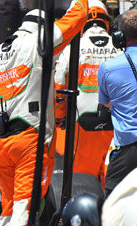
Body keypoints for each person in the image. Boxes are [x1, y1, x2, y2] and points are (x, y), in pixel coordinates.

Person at [0, 1, 89, 226]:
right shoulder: (41, 39)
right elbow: (75, 19)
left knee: (9, 206)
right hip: (30, 139)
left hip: (1, 140)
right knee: (25, 206)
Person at [53, 0, 121, 182]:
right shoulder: (119, 48)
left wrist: (59, 117)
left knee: (81, 183)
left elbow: (58, 85)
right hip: (115, 126)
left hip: (79, 126)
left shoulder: (72, 49)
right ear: (106, 19)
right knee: (112, 181)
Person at [98, 9, 137, 197]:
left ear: (119, 38)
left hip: (128, 152)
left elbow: (105, 104)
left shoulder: (108, 69)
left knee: (112, 205)